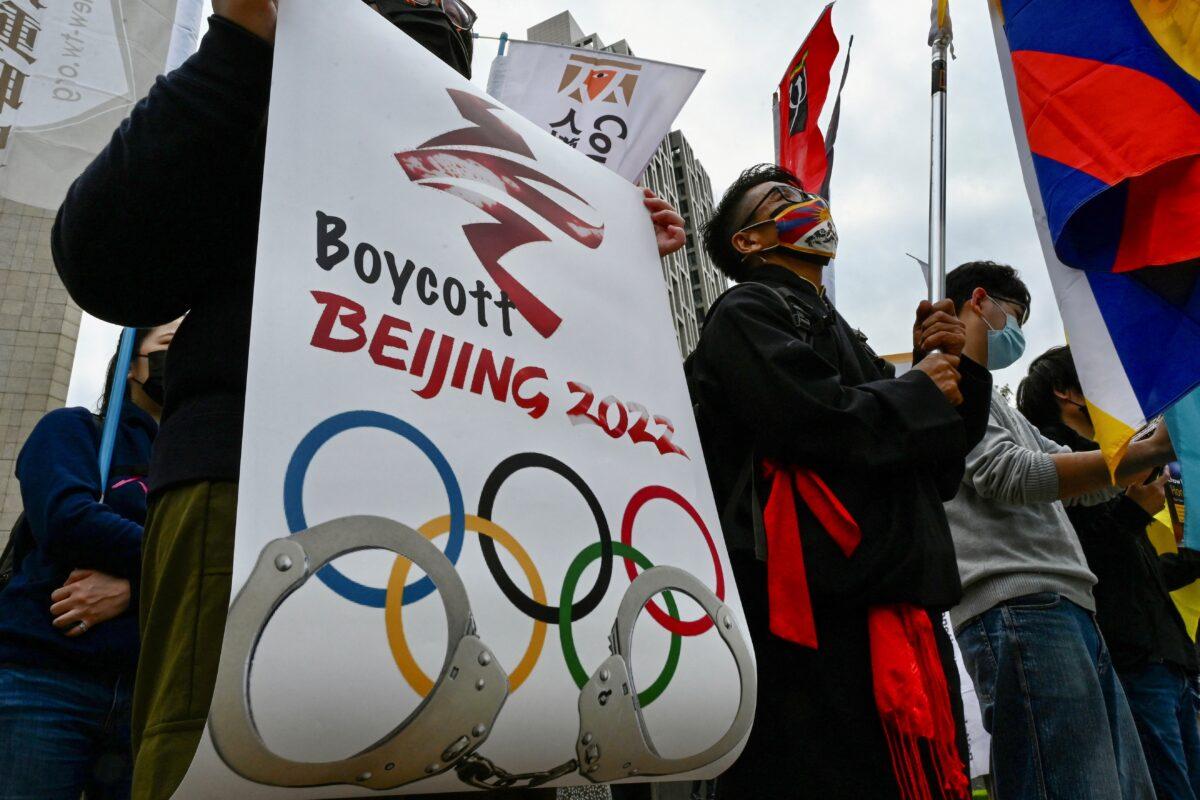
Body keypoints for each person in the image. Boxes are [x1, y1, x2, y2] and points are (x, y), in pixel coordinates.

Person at [51, 2, 685, 797]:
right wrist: (240, 47)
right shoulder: (261, 90)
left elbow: (548, 378)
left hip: (481, 528)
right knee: (238, 761)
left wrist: (610, 269)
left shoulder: (494, 167)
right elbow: (106, 258)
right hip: (256, 498)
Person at [687, 164, 993, 800]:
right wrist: (913, 391)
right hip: (813, 613)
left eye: (806, 194)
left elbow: (936, 469)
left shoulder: (841, 330)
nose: (807, 203)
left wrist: (949, 370)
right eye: (782, 200)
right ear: (750, 241)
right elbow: (808, 418)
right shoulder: (748, 311)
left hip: (894, 602)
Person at [942, 261, 1177, 800]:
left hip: (1064, 604)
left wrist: (1151, 443)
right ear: (979, 301)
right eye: (1015, 318)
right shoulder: (945, 379)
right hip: (1019, 605)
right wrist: (1158, 448)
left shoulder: (997, 404)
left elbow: (1080, 476)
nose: (1017, 334)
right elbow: (1012, 473)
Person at [0, 322, 175, 800]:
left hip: (149, 700)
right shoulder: (72, 430)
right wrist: (165, 566)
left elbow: (227, 566)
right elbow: (67, 520)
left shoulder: (199, 467)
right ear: (133, 366)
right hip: (44, 683)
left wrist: (133, 590)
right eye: (168, 344)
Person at [1018, 344, 1200, 800]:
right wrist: (1134, 511)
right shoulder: (1064, 467)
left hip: (1170, 657)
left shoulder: (1117, 458)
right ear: (1067, 392)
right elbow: (1082, 556)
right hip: (1131, 660)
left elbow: (1142, 570)